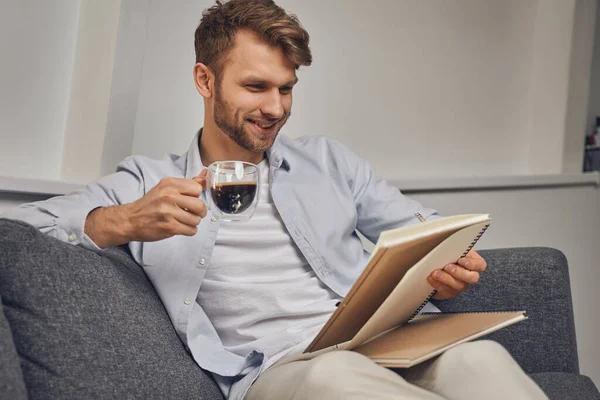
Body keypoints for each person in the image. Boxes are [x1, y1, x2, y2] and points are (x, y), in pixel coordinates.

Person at [6, 1, 548, 399]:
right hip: (283, 369)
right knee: (338, 382)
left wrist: (448, 258)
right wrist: (121, 220)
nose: (275, 107)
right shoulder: (152, 180)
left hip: (382, 341)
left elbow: (420, 225)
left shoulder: (330, 162)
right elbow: (22, 229)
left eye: (285, 88)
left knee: (481, 361)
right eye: (256, 87)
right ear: (205, 80)